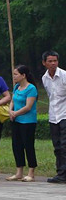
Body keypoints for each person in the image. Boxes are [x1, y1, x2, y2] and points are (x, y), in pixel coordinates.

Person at [7, 64, 38, 182]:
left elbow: (28, 107)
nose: (14, 76)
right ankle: (19, 171)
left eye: (16, 74)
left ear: (23, 75)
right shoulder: (16, 87)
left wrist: (15, 113)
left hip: (28, 121)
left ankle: (31, 172)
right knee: (16, 145)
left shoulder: (31, 89)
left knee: (28, 145)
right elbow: (12, 101)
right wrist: (10, 111)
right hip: (16, 120)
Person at [41, 51, 66, 184]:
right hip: (53, 116)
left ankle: (63, 174)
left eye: (55, 61)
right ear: (44, 63)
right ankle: (60, 172)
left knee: (64, 145)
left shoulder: (64, 75)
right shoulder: (44, 78)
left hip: (64, 115)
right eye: (50, 61)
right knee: (57, 146)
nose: (53, 63)